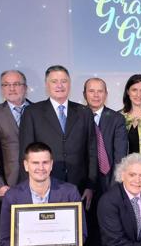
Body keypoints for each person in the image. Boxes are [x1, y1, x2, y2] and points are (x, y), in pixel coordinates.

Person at [19, 65, 96, 209]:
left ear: (70, 84)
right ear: (46, 85)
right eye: (54, 81)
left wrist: (90, 186)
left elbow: (92, 152)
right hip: (43, 187)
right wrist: (27, 189)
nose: (60, 85)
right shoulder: (32, 113)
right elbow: (25, 153)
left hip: (78, 188)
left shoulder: (84, 112)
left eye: (64, 81)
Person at [81, 77, 128, 246]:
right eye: (92, 91)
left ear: (106, 94)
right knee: (88, 233)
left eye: (100, 91)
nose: (96, 95)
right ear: (84, 94)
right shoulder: (78, 116)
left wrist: (113, 190)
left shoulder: (116, 118)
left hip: (110, 183)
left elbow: (120, 156)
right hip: (85, 185)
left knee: (108, 232)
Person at [0, 69, 32, 198]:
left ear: (25, 87)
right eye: (6, 85)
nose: (11, 88)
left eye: (16, 84)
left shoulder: (38, 110)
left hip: (38, 180)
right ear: (2, 89)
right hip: (9, 184)